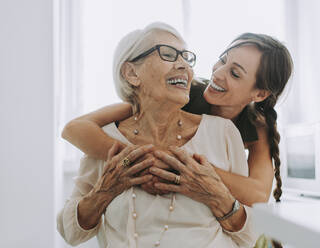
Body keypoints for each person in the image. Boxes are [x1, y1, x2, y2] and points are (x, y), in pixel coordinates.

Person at [57, 22, 258, 248]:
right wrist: (104, 192)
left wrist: (217, 197)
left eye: (186, 57)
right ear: (132, 73)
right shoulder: (105, 140)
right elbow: (69, 232)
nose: (184, 66)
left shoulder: (223, 133)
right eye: (169, 54)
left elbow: (250, 238)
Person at [62, 30, 293, 205]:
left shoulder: (256, 126)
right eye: (222, 60)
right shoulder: (179, 94)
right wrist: (141, 161)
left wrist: (186, 167)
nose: (218, 73)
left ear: (259, 94)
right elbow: (74, 129)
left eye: (234, 73)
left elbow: (258, 194)